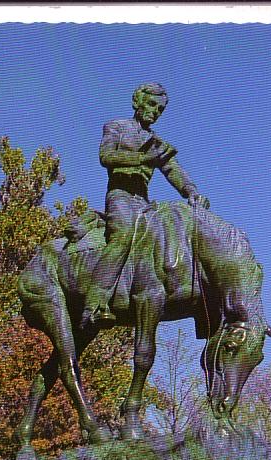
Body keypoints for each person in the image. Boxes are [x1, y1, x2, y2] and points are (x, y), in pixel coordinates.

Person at [81, 82, 210, 327]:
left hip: (144, 202)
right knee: (124, 235)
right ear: (137, 102)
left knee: (176, 235)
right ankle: (95, 303)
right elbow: (105, 156)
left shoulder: (156, 142)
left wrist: (191, 191)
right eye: (151, 104)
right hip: (120, 197)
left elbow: (173, 170)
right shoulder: (117, 127)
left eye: (160, 109)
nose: (155, 111)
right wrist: (142, 158)